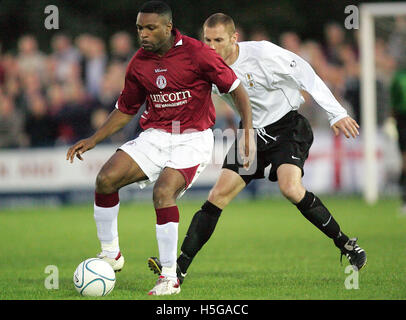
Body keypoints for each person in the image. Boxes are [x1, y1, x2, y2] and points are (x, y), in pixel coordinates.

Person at [148, 13, 367, 286]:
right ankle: (177, 269)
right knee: (217, 196)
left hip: (287, 127)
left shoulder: (262, 54)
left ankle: (347, 245)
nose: (212, 46)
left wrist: (336, 113)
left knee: (290, 188)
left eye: (218, 40)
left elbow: (305, 73)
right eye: (207, 40)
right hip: (250, 134)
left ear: (234, 38)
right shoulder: (205, 67)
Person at [66, 2, 254, 296]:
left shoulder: (198, 53)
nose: (143, 34)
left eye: (150, 28)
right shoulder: (139, 62)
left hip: (192, 138)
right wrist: (94, 139)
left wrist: (247, 132)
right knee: (105, 179)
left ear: (168, 27)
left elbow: (236, 89)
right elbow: (126, 110)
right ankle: (111, 254)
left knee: (163, 192)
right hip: (155, 134)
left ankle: (169, 277)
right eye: (140, 28)